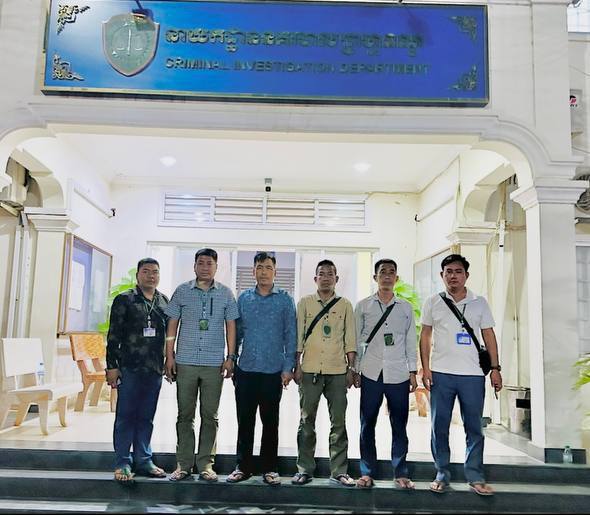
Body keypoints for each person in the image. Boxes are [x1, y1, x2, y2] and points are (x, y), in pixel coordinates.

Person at [419, 254, 503, 496]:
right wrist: (426, 368)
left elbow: (489, 335)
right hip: (441, 374)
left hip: (472, 375)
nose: (453, 276)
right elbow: (425, 336)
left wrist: (495, 369)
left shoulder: (479, 302)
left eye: (458, 271)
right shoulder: (433, 302)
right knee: (439, 426)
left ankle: (475, 475)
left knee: (474, 427)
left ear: (466, 275)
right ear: (442, 275)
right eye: (448, 272)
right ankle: (441, 473)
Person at [164, 248, 239, 482]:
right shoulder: (182, 291)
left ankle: (206, 464)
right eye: (201, 263)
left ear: (216, 267)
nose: (205, 267)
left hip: (213, 363)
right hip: (185, 361)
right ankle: (184, 464)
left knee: (210, 416)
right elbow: (172, 325)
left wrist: (230, 356)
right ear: (194, 266)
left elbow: (231, 327)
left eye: (209, 263)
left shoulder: (226, 294)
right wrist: (169, 356)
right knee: (184, 415)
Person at [226, 251, 297, 486]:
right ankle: (242, 466)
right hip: (246, 368)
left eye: (268, 267)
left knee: (270, 422)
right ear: (253, 271)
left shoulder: (285, 300)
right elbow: (236, 332)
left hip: (273, 370)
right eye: (259, 267)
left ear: (275, 272)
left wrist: (288, 367)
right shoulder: (244, 298)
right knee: (245, 421)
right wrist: (232, 358)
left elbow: (290, 335)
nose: (263, 272)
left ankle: (269, 468)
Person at [291, 259, 356, 487]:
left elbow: (350, 339)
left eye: (330, 274)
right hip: (310, 370)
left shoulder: (345, 305)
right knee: (306, 421)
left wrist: (351, 369)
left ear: (336, 279)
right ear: (315, 278)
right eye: (322, 274)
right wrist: (297, 365)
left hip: (337, 371)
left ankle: (339, 471)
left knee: (338, 423)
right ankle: (304, 469)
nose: (326, 278)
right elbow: (298, 336)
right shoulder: (305, 303)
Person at [354, 259, 417, 489]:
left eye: (391, 272)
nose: (387, 276)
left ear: (396, 278)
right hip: (371, 372)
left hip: (398, 373)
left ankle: (400, 472)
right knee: (367, 423)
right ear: (375, 277)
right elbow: (357, 340)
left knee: (399, 424)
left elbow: (410, 341)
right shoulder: (363, 306)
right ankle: (367, 472)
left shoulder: (405, 308)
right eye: (383, 272)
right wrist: (355, 369)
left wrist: (413, 371)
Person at [106, 257, 169, 483]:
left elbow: (169, 336)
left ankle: (144, 459)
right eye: (146, 271)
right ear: (138, 275)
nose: (151, 275)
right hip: (129, 367)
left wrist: (169, 361)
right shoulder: (125, 299)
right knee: (125, 416)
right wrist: (112, 366)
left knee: (146, 417)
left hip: (154, 369)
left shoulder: (164, 301)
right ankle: (123, 461)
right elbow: (113, 335)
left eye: (155, 272)